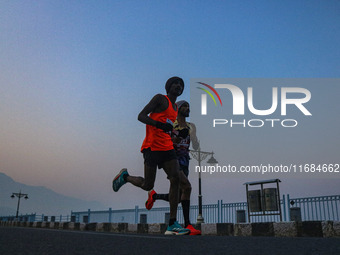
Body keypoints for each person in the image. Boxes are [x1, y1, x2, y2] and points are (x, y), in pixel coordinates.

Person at [112, 77, 190, 235]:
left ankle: (172, 224)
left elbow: (167, 130)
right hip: (152, 147)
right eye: (175, 83)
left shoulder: (175, 108)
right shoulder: (160, 99)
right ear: (168, 87)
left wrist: (177, 135)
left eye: (181, 85)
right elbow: (141, 116)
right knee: (148, 185)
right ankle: (125, 177)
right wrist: (159, 124)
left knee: (176, 179)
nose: (179, 86)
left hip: (167, 147)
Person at [144, 100, 201, 235]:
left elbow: (195, 145)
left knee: (182, 193)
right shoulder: (171, 123)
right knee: (186, 187)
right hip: (172, 158)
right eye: (184, 106)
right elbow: (164, 140)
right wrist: (173, 140)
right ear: (178, 108)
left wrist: (193, 137)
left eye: (189, 106)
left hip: (185, 159)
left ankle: (155, 196)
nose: (187, 108)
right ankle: (187, 224)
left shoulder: (191, 126)